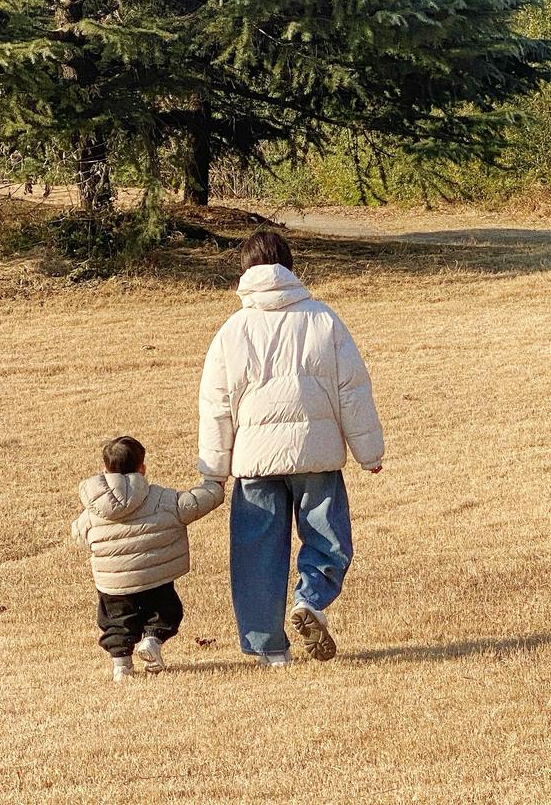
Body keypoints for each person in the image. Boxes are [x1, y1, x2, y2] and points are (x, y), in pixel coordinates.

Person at [198, 230, 383, 667]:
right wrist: (368, 452)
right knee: (327, 537)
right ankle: (311, 600)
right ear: (289, 266)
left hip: (253, 462)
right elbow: (352, 390)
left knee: (256, 555)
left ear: (244, 272)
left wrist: (213, 470)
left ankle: (269, 651)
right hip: (314, 454)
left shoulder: (232, 330)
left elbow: (215, 406)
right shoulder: (323, 319)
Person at [71, 435, 225, 682]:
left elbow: (79, 533)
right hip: (155, 577)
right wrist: (215, 485)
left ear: (105, 469)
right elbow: (193, 503)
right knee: (165, 612)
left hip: (113, 583)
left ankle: (121, 666)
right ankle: (152, 641)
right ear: (142, 468)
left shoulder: (93, 508)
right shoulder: (160, 498)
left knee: (116, 622)